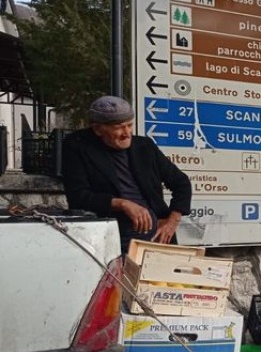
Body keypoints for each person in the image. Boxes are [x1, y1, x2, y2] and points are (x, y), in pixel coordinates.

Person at [61, 95, 192, 253]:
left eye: (130, 125)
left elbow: (181, 183)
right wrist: (122, 204)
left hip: (156, 236)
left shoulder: (145, 147)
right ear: (98, 129)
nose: (127, 133)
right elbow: (78, 197)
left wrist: (171, 222)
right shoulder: (78, 146)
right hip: (111, 236)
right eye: (119, 127)